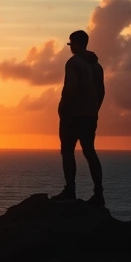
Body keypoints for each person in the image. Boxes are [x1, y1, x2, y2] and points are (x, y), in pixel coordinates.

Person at [51, 30, 106, 207]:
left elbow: (70, 89)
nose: (70, 47)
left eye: (70, 43)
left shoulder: (74, 63)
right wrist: (94, 109)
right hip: (90, 116)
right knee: (90, 152)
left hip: (72, 115)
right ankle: (99, 194)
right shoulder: (97, 66)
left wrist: (62, 107)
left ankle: (70, 190)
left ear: (77, 43)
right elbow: (101, 91)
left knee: (67, 151)